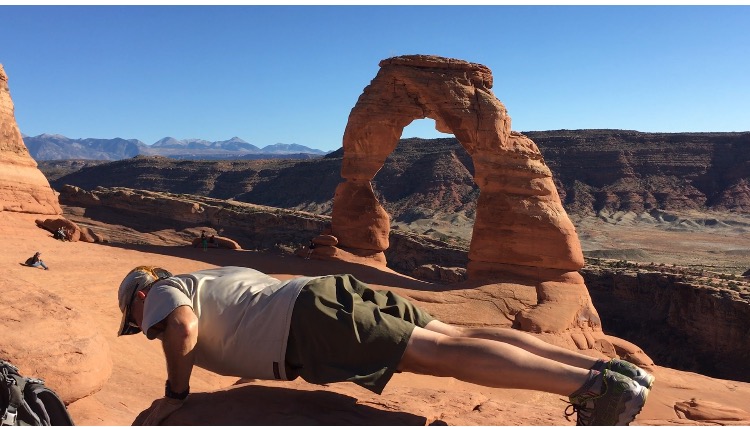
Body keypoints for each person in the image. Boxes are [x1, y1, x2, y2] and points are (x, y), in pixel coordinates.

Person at [117, 266, 653, 426]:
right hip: (322, 297)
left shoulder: (165, 292)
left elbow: (184, 329)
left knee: (441, 357)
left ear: (141, 294)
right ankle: (610, 370)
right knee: (453, 336)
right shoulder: (211, 274)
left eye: (136, 319)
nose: (145, 329)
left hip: (311, 321)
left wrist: (176, 394)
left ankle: (598, 390)